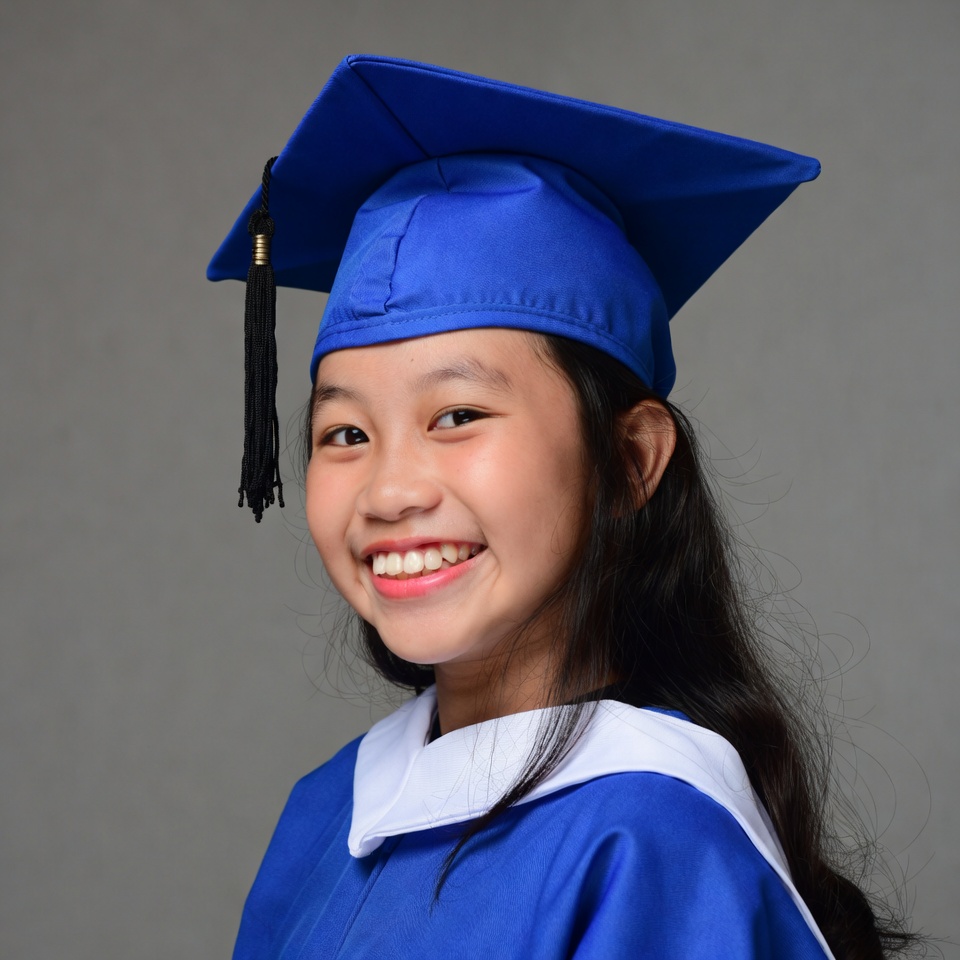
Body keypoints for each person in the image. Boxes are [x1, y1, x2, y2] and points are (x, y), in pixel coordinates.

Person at [208, 55, 917, 959]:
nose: (389, 492)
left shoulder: (648, 841)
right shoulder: (327, 812)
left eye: (457, 416)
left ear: (629, 460)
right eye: (344, 433)